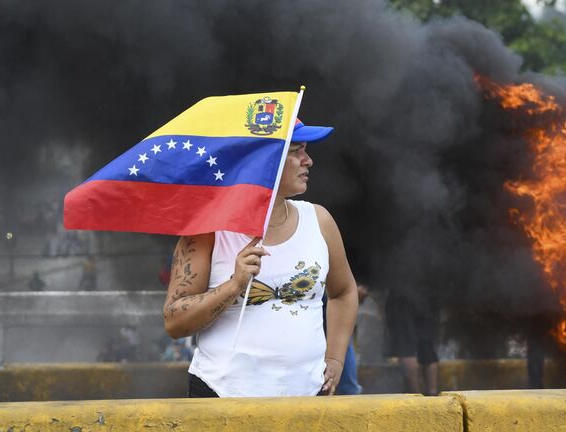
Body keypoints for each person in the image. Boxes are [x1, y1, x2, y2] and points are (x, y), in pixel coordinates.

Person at [163, 118, 358, 398]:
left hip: (308, 399)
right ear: (264, 160)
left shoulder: (319, 220)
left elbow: (344, 291)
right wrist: (234, 285)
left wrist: (336, 359)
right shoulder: (206, 232)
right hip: (222, 398)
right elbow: (174, 322)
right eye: (296, 151)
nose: (308, 161)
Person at [385, 289, 440, 396]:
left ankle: (416, 396)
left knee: (405, 346)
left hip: (403, 294)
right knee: (427, 343)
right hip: (428, 293)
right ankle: (433, 395)